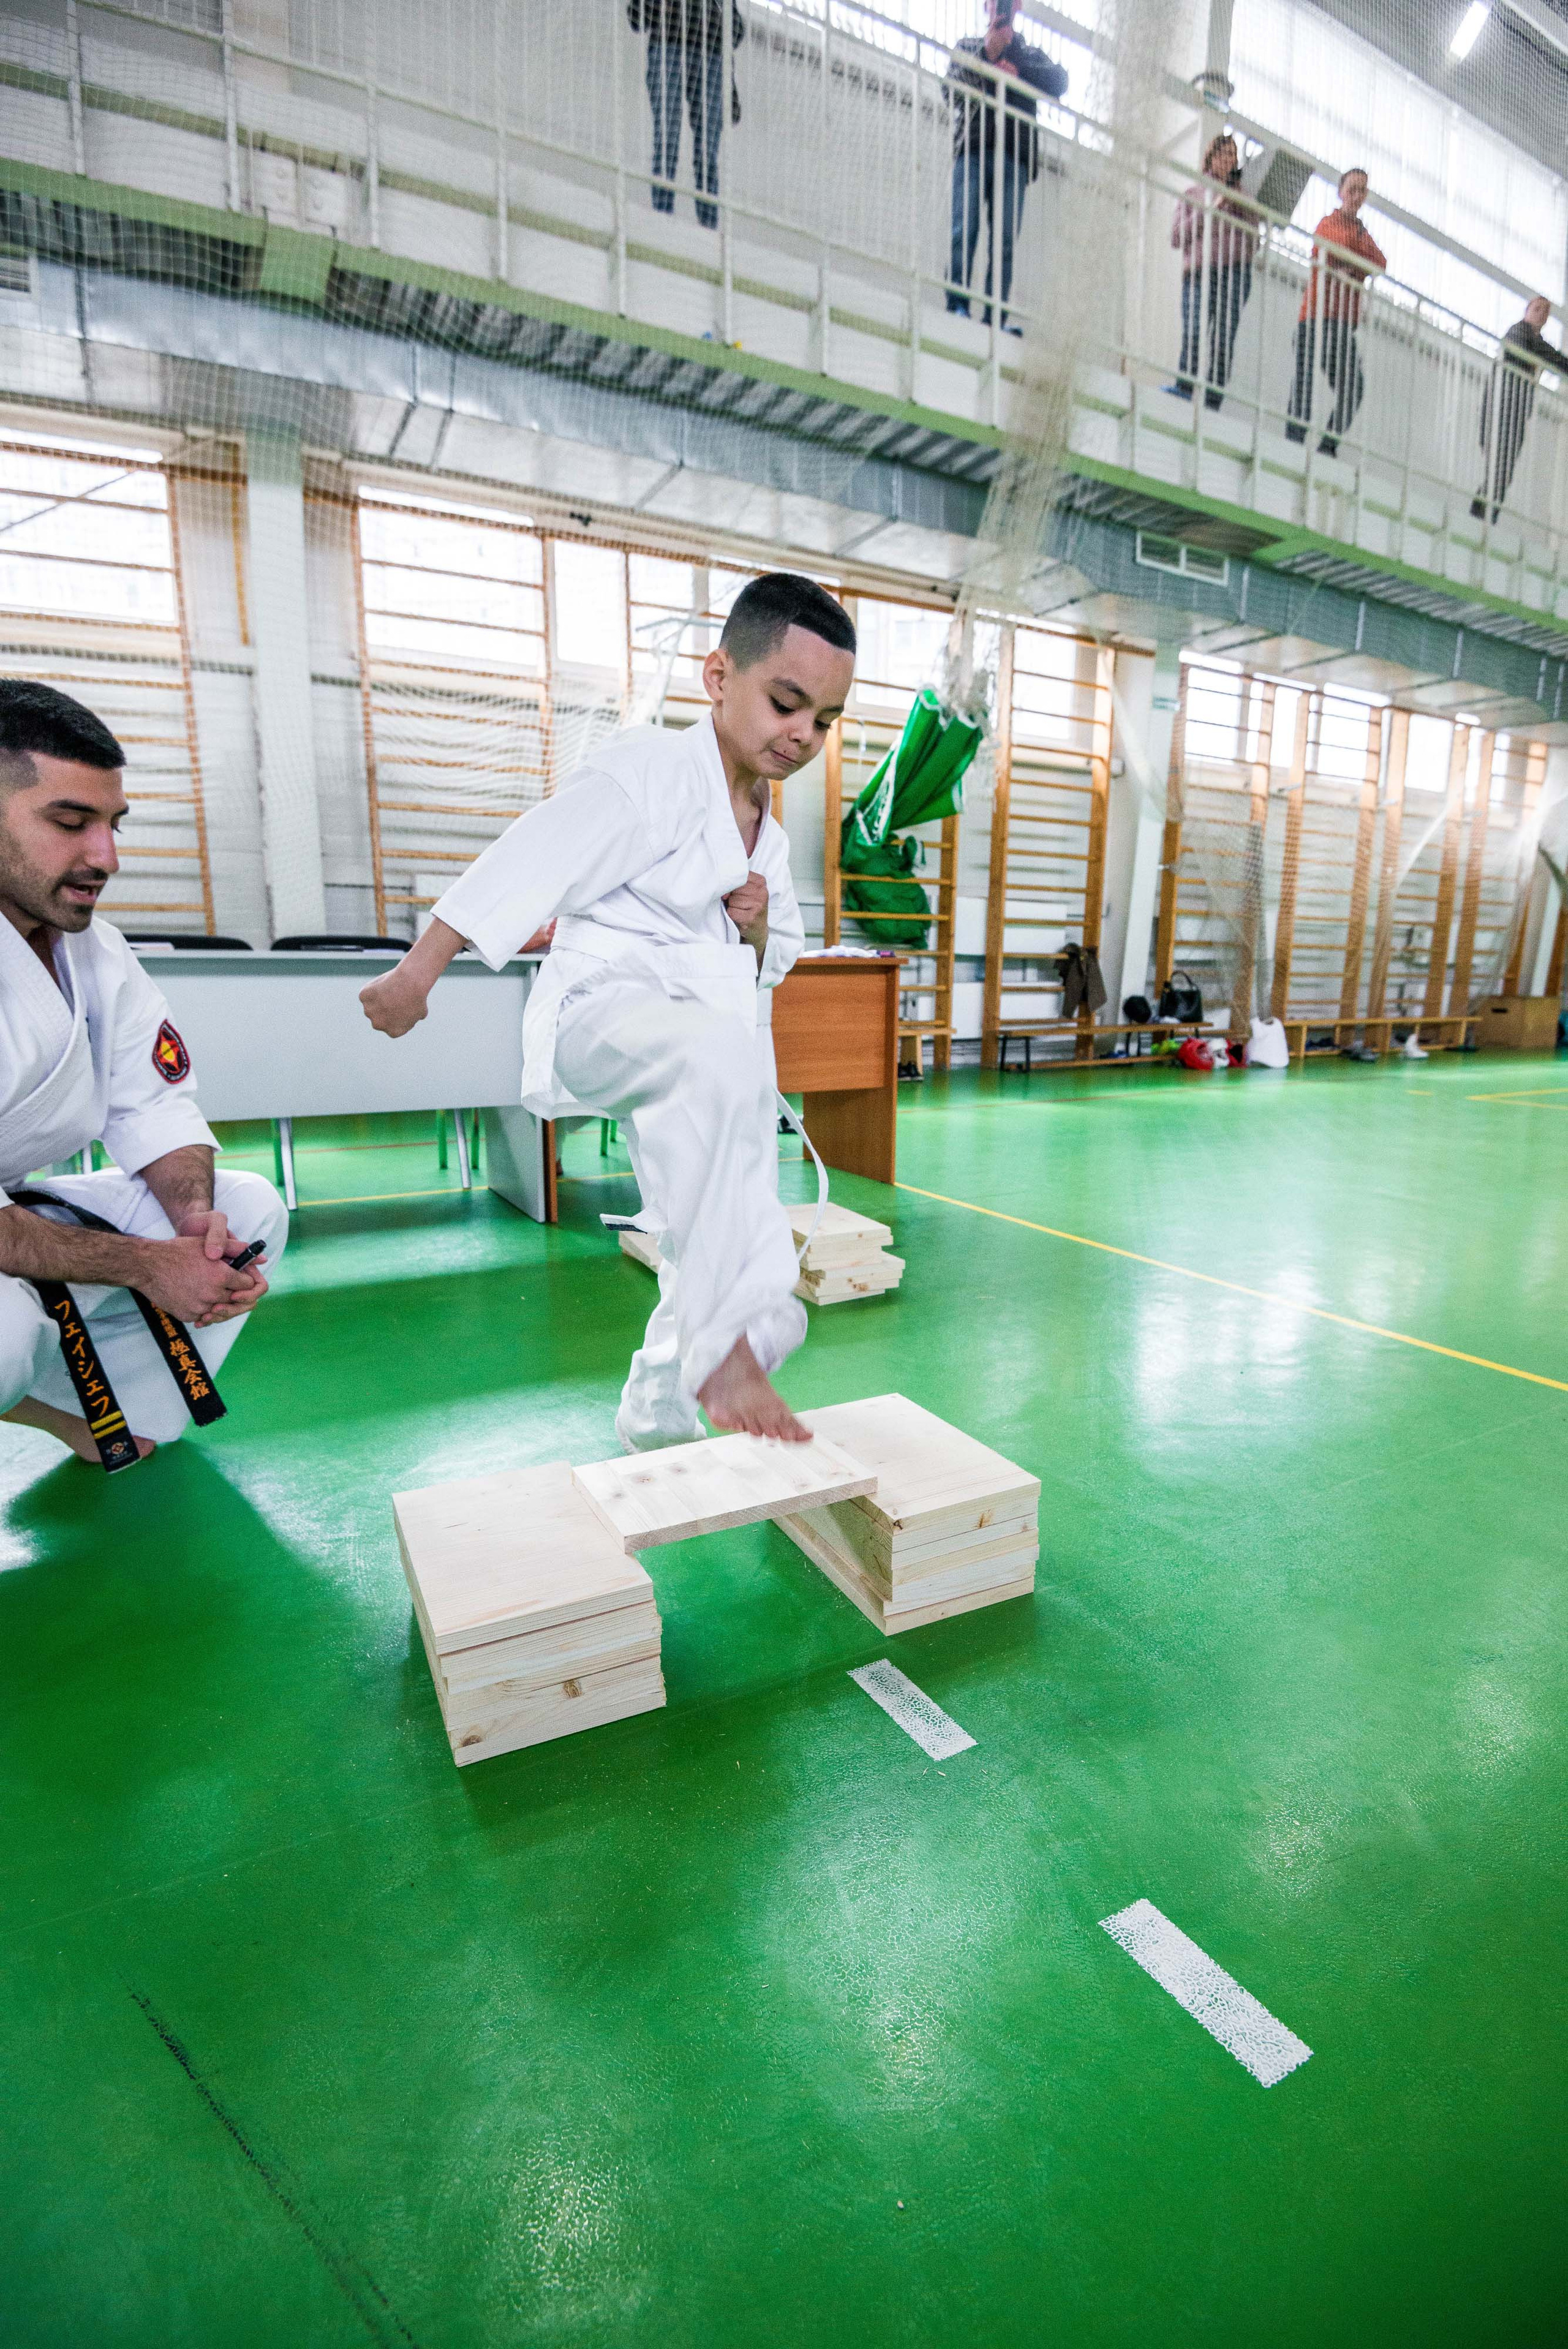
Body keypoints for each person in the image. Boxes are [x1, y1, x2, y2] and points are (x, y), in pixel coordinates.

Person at [360, 572, 854, 1450]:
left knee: (711, 1217)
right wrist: (419, 969)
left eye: (823, 719)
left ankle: (657, 1412)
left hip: (708, 1053)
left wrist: (761, 917)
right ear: (717, 677)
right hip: (604, 1016)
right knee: (708, 1065)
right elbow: (533, 855)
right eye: (786, 703)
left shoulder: (768, 837)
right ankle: (728, 1351)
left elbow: (773, 962)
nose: (802, 734)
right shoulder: (650, 770)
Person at [0, 682, 284, 1471]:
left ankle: (89, 1399)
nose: (107, 857)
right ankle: (33, 1401)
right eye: (69, 823)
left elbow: (153, 1104)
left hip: (16, 1203)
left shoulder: (98, 949)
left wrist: (193, 1229)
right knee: (0, 1338)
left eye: (112, 824)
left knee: (247, 1211)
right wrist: (144, 1266)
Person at [946, 0, 1068, 334]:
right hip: (972, 148)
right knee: (963, 230)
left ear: (1019, 7)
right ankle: (956, 304)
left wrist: (1017, 65)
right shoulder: (969, 47)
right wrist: (986, 56)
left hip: (1013, 155)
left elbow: (1060, 83)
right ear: (986, 6)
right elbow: (950, 91)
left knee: (1004, 242)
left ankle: (994, 318)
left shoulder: (1030, 54)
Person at [1285, 167, 1386, 456]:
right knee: (1304, 380)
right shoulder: (1329, 223)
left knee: (1353, 388)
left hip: (1343, 323)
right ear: (1341, 192)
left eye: (1362, 190)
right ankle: (1294, 440)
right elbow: (1330, 250)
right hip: (1316, 316)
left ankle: (1327, 446)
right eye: (1352, 189)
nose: (1356, 195)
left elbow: (1380, 263)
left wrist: (1350, 263)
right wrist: (1358, 264)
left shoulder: (1362, 233)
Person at [627, 0, 744, 232]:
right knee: (669, 140)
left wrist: (718, 19)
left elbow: (737, 30)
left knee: (706, 151)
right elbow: (636, 16)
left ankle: (707, 226)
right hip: (674, 46)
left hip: (708, 54)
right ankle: (664, 217)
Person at [1169, 132, 1258, 409]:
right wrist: (1212, 209)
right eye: (1223, 154)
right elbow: (1176, 237)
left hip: (1235, 274)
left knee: (1223, 341)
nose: (1228, 160)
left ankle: (1212, 402)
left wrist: (1245, 207)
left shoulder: (1242, 197)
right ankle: (1184, 389)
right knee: (1194, 332)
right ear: (1211, 158)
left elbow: (1254, 241)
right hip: (1200, 273)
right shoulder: (1194, 193)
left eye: (1233, 155)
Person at [1471, 296, 1568, 521]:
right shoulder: (1518, 332)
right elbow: (1528, 352)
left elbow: (1556, 360)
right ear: (1527, 310)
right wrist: (1538, 365)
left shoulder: (1536, 341)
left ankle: (1485, 516)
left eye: (1545, 311)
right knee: (1499, 468)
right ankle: (1480, 516)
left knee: (1504, 472)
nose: (1540, 314)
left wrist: (1539, 364)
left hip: (1515, 415)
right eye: (1537, 308)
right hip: (1499, 412)